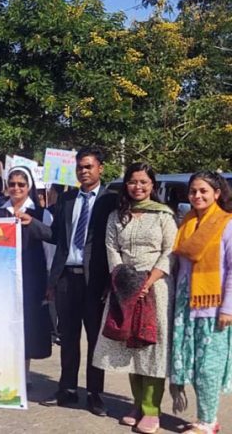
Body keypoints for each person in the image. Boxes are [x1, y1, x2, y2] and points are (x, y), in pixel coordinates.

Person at [27, 147, 117, 416]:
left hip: (95, 282)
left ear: (100, 168)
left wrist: (110, 283)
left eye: (89, 166)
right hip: (66, 279)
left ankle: (95, 394)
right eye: (80, 167)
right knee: (68, 339)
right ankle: (67, 389)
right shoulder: (66, 200)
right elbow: (56, 236)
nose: (84, 171)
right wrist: (29, 222)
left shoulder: (110, 201)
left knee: (94, 341)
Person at [92, 163, 177, 433]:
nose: (137, 187)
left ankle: (152, 410)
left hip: (156, 287)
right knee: (130, 345)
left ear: (153, 185)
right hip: (124, 286)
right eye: (132, 182)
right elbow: (111, 248)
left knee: (152, 348)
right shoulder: (117, 216)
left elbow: (170, 250)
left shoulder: (164, 215)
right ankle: (137, 404)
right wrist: (123, 279)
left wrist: (147, 281)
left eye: (143, 182)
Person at [170, 172, 232, 434]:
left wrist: (228, 308)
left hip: (212, 306)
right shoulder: (187, 222)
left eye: (204, 191)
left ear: (217, 193)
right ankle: (204, 417)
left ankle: (209, 422)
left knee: (208, 366)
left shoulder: (226, 224)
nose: (197, 195)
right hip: (186, 305)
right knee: (191, 364)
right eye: (193, 191)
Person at [0, 167, 53, 376]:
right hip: (4, 280)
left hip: (32, 278)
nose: (16, 188)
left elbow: (49, 251)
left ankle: (24, 376)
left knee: (27, 327)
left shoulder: (41, 213)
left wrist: (49, 283)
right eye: (12, 184)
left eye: (21, 184)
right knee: (6, 325)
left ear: (29, 187)